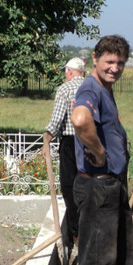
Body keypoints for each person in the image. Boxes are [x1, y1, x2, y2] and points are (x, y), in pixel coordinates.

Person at [70, 35, 133, 265]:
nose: (115, 68)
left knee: (124, 250)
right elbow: (80, 119)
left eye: (120, 63)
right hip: (97, 185)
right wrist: (100, 154)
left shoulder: (104, 89)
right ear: (94, 59)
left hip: (112, 185)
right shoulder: (90, 88)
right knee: (100, 255)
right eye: (109, 61)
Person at [43, 57, 85, 251]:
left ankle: (76, 231)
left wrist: (46, 139)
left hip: (71, 142)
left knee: (69, 186)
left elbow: (58, 119)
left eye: (65, 71)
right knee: (88, 184)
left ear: (69, 72)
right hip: (92, 141)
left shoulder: (65, 89)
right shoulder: (94, 88)